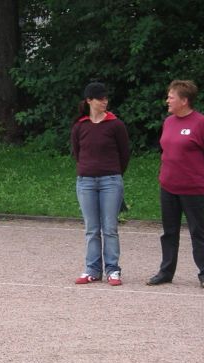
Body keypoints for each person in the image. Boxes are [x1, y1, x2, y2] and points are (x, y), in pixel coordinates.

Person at [147, 80, 204, 289]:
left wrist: (203, 176)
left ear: (184, 100)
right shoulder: (168, 122)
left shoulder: (202, 124)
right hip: (168, 186)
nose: (167, 100)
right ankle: (166, 272)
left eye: (171, 97)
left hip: (193, 189)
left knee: (198, 231)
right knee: (169, 232)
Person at [71, 82, 130, 286]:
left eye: (106, 98)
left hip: (110, 181)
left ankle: (113, 269)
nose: (105, 101)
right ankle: (92, 269)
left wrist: (112, 173)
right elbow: (77, 153)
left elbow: (124, 154)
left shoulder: (116, 125)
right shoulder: (80, 126)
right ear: (89, 101)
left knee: (110, 228)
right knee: (91, 229)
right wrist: (88, 170)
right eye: (100, 98)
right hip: (86, 181)